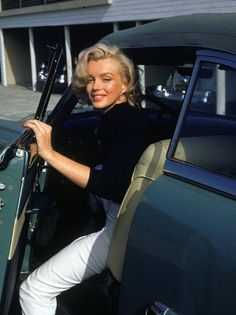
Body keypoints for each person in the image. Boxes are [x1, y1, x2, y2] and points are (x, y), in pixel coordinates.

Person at [19, 43, 152, 314]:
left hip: (119, 226)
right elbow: (98, 160)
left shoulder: (130, 125)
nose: (95, 87)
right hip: (112, 215)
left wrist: (49, 153)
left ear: (126, 85)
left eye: (106, 79)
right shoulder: (118, 118)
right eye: (90, 79)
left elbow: (112, 186)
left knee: (34, 290)